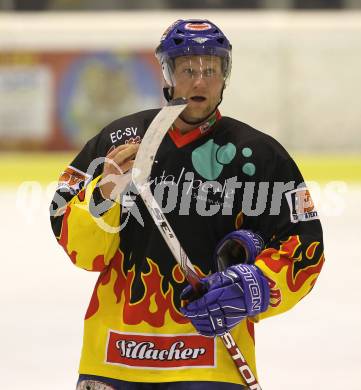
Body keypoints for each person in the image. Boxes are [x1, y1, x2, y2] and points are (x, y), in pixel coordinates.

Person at [50, 19, 325, 390]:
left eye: (210, 69)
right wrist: (103, 195)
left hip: (210, 364)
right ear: (167, 74)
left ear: (225, 75)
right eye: (188, 69)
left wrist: (254, 285)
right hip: (114, 359)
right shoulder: (119, 141)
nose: (200, 80)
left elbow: (303, 247)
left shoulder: (258, 155)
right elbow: (83, 251)